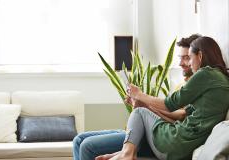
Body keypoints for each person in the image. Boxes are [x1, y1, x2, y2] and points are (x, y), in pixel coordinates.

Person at [72, 34, 201, 160]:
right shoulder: (181, 85)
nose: (180, 63)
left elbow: (177, 120)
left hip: (156, 134)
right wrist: (142, 106)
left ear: (196, 57)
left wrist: (144, 104)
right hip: (146, 127)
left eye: (186, 58)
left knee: (87, 146)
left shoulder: (195, 88)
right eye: (180, 57)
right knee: (78, 140)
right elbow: (167, 113)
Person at [99, 36, 229, 160]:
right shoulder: (221, 80)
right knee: (142, 111)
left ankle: (126, 154)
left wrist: (138, 94)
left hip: (176, 143)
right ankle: (124, 152)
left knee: (139, 112)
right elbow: (180, 116)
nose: (189, 63)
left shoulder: (206, 74)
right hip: (184, 149)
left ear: (200, 56)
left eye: (189, 57)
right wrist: (147, 107)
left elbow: (171, 104)